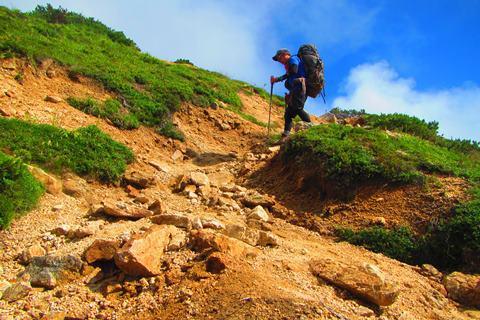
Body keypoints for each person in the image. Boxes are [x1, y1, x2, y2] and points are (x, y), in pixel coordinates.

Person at [271, 48, 312, 142]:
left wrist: (278, 79)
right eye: (278, 59)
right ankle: (285, 136)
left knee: (297, 108)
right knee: (288, 113)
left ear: (285, 54)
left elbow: (294, 71)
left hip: (300, 88)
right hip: (296, 90)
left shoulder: (293, 59)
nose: (279, 60)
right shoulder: (290, 63)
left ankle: (311, 127)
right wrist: (290, 94)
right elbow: (292, 76)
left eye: (279, 57)